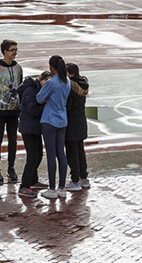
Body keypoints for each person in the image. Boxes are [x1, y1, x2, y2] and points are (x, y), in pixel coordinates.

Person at [0, 39, 23, 184]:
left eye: (16, 50)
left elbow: (20, 88)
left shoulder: (18, 68)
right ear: (5, 51)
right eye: (12, 50)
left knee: (13, 140)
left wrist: (21, 108)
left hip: (14, 111)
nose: (15, 52)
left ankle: (11, 168)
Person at [36, 55, 71, 199]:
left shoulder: (51, 83)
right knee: (61, 153)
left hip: (49, 120)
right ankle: (62, 188)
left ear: (51, 67)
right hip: (62, 120)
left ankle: (52, 188)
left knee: (51, 154)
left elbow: (39, 98)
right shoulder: (67, 81)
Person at [16, 70, 51, 197]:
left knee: (38, 155)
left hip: (35, 128)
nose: (47, 84)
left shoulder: (37, 90)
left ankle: (33, 180)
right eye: (46, 81)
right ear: (40, 79)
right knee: (32, 157)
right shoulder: (30, 90)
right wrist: (46, 104)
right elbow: (33, 110)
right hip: (28, 129)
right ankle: (24, 185)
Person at [64, 63, 90, 192]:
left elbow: (67, 107)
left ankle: (74, 180)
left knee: (72, 153)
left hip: (71, 124)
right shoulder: (82, 84)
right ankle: (83, 178)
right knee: (80, 151)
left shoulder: (70, 88)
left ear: (71, 74)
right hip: (80, 122)